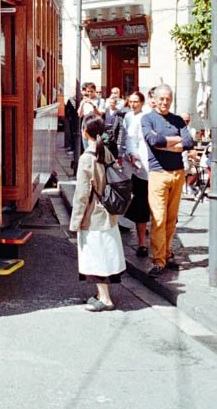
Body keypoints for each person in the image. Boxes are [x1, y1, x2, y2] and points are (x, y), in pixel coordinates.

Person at [69, 115, 126, 311]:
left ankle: (105, 299)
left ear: (85, 132)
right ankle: (101, 294)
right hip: (109, 212)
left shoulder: (87, 158)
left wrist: (75, 221)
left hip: (93, 215)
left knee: (96, 256)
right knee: (107, 254)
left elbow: (82, 194)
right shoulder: (105, 152)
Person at [141, 84, 195, 276]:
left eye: (168, 99)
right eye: (162, 99)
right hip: (158, 173)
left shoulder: (177, 120)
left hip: (178, 173)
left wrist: (166, 143)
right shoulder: (147, 119)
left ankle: (167, 253)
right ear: (154, 100)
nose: (165, 102)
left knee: (171, 219)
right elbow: (153, 141)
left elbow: (189, 142)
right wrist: (176, 141)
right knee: (158, 218)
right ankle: (158, 260)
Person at [123, 91, 151, 257]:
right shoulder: (129, 117)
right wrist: (131, 154)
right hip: (139, 166)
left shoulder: (149, 116)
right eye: (131, 101)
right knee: (140, 203)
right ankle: (141, 242)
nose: (133, 105)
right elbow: (129, 138)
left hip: (156, 168)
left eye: (136, 102)